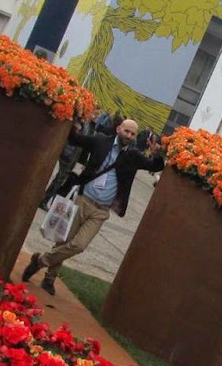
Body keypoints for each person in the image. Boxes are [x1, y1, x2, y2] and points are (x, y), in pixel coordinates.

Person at [19, 117, 164, 295]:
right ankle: (49, 279)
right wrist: (74, 125)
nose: (129, 136)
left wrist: (157, 154)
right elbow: (75, 139)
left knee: (79, 245)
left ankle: (40, 261)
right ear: (118, 129)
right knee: (63, 240)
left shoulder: (133, 156)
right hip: (83, 200)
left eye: (133, 134)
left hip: (101, 211)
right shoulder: (101, 141)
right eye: (127, 131)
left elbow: (154, 166)